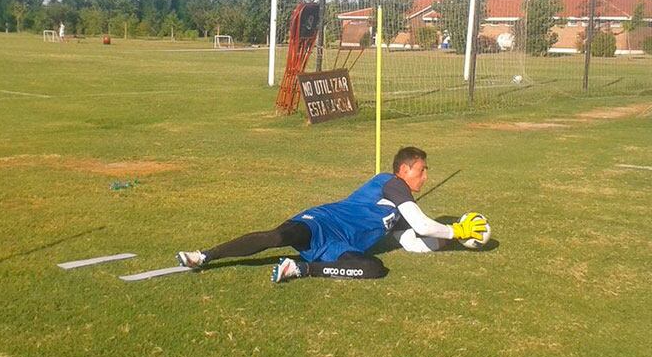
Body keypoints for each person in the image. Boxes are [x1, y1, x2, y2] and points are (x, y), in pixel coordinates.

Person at [176, 146, 487, 282]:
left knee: (374, 269)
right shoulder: (392, 183)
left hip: (340, 246)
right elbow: (423, 223)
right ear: (404, 170)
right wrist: (456, 230)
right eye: (422, 170)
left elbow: (413, 241)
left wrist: (449, 242)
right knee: (279, 236)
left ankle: (299, 270)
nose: (425, 177)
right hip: (324, 222)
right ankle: (204, 256)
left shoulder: (400, 208)